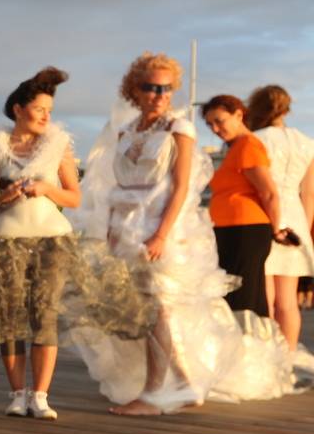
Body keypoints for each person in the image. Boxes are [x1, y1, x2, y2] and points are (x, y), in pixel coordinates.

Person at [71, 53, 293, 413]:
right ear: (134, 90)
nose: (159, 94)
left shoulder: (180, 128)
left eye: (166, 88)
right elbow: (117, 183)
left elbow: (181, 186)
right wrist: (111, 226)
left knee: (158, 308)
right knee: (147, 308)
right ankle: (186, 385)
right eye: (150, 87)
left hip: (162, 228)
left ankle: (155, 394)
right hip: (126, 229)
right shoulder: (127, 131)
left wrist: (161, 234)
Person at [0, 69, 86, 419]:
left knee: (45, 315)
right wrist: (3, 198)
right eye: (40, 108)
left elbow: (74, 197)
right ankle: (17, 393)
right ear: (17, 109)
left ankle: (41, 396)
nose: (47, 116)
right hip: (7, 238)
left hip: (52, 240)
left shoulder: (59, 146)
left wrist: (46, 189)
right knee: (10, 316)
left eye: (50, 110)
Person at [202, 95, 290, 319]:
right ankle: (244, 346)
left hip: (245, 230)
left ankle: (252, 345)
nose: (215, 128)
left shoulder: (248, 145)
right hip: (231, 230)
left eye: (220, 121)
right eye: (210, 124)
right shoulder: (236, 148)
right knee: (235, 295)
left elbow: (269, 192)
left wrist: (276, 229)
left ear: (238, 115)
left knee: (244, 297)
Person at [245, 85, 314, 353]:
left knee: (266, 298)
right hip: (296, 219)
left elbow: (258, 188)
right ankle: (288, 358)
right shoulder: (307, 143)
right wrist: (304, 230)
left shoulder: (256, 140)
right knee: (288, 301)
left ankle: (269, 358)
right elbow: (308, 194)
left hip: (263, 216)